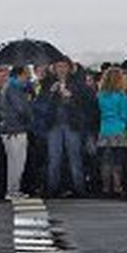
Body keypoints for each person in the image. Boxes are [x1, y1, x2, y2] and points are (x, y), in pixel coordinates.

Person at [40, 59, 92, 198]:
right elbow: (42, 103)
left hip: (72, 123)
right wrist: (51, 93)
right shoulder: (48, 83)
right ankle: (52, 189)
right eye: (59, 66)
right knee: (54, 158)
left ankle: (79, 188)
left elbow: (86, 102)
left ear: (69, 68)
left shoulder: (77, 83)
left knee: (75, 157)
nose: (62, 69)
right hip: (54, 124)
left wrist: (71, 96)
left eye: (64, 66)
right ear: (54, 68)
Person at [96, 67, 127, 198]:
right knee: (118, 161)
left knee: (106, 161)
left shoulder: (100, 95)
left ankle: (106, 188)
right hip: (118, 130)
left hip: (104, 130)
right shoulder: (121, 96)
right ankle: (117, 187)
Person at [0, 66, 34, 200]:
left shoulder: (10, 87)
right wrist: (29, 110)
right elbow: (21, 108)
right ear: (20, 74)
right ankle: (13, 190)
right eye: (26, 74)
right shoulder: (14, 88)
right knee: (17, 162)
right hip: (15, 129)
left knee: (14, 162)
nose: (28, 77)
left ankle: (14, 189)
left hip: (11, 129)